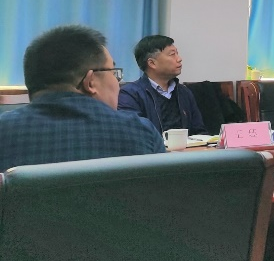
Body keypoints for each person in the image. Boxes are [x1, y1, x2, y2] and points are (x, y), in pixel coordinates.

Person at [0, 25, 164, 171]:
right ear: (90, 82)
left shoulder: (4, 131)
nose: (117, 83)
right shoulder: (141, 133)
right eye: (114, 73)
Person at [118, 35, 207, 135]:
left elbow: (199, 131)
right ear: (152, 63)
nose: (179, 59)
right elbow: (135, 133)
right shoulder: (130, 94)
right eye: (172, 54)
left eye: (177, 53)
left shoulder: (184, 92)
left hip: (187, 145)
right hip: (154, 145)